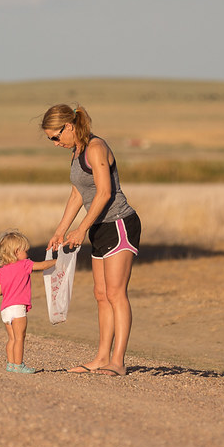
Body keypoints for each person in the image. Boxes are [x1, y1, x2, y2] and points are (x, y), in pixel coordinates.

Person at [42, 104, 141, 377]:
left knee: (115, 293)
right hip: (99, 226)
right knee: (100, 295)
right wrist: (62, 229)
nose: (55, 143)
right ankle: (101, 357)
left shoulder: (96, 148)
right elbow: (78, 194)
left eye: (55, 136)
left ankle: (118, 361)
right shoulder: (76, 152)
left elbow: (104, 193)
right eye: (51, 138)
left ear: (69, 127)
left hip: (119, 224)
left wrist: (81, 229)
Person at [0, 230, 57, 374]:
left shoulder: (1, 271)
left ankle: (11, 364)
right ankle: (19, 364)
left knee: (12, 338)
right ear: (17, 252)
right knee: (20, 338)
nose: (28, 253)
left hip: (5, 310)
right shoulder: (24, 264)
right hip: (18, 308)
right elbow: (43, 265)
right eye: (25, 250)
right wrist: (58, 261)